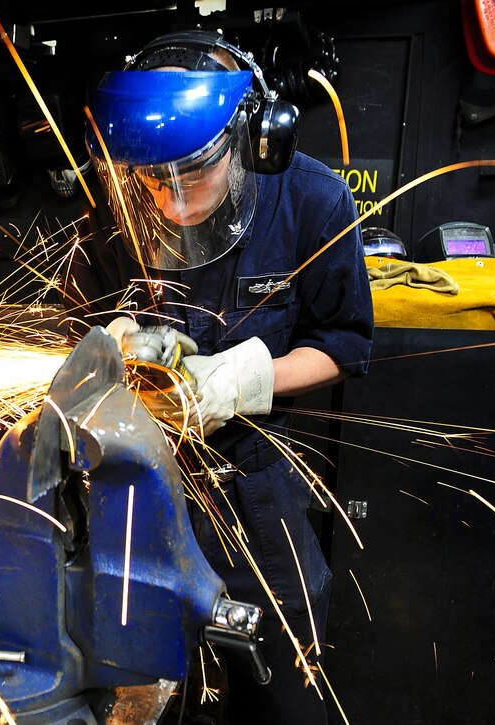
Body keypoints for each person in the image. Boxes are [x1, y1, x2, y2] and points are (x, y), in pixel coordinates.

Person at [65, 30, 374, 725]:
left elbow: (345, 345)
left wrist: (243, 380)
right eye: (154, 179)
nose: (173, 202)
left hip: (254, 491)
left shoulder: (313, 200)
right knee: (144, 696)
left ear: (249, 135)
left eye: (194, 175)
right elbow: (74, 331)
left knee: (285, 697)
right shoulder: (117, 205)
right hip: (136, 491)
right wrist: (112, 342)